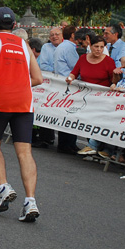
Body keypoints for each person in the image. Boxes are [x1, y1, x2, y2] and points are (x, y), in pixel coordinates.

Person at [0, 7, 43, 222]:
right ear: (14, 25)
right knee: (25, 152)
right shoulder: (24, 44)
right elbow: (38, 78)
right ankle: (30, 201)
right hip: (24, 101)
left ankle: (4, 187)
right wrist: (19, 84)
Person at [53, 25, 80, 154]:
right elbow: (76, 66)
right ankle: (67, 143)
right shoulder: (69, 48)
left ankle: (69, 143)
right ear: (73, 35)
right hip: (68, 82)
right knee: (70, 114)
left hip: (63, 81)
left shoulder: (62, 47)